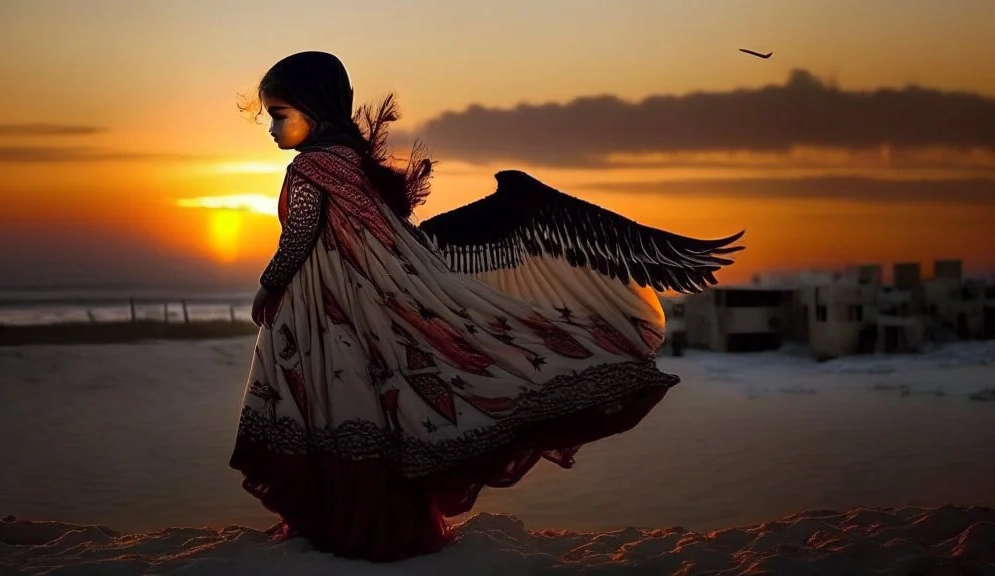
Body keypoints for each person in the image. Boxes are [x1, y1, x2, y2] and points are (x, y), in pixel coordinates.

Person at [229, 51, 744, 562]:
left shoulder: (311, 169)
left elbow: (298, 239)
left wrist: (268, 286)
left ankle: (344, 527)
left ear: (314, 109)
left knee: (339, 399)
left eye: (279, 114)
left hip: (330, 307)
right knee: (367, 401)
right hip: (354, 302)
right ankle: (384, 525)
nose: (272, 128)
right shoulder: (352, 165)